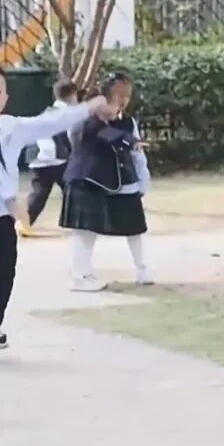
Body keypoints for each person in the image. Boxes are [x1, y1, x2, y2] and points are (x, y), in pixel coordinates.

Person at [0, 63, 113, 366]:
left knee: (3, 273)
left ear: (6, 98)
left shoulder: (11, 126)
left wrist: (88, 108)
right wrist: (12, 200)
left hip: (1, 216)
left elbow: (48, 122)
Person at [60, 72, 153, 292]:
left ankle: (89, 274)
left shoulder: (125, 121)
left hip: (107, 181)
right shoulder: (86, 121)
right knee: (84, 231)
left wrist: (142, 178)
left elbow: (135, 152)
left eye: (126, 97)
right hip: (85, 179)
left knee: (102, 229)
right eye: (117, 97)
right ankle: (80, 277)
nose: (122, 102)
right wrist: (130, 141)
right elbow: (105, 134)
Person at [18, 79, 76, 235]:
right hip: (54, 158)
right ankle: (78, 222)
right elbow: (71, 136)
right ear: (72, 95)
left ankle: (24, 223)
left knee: (40, 193)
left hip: (40, 158)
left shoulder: (49, 111)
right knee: (73, 190)